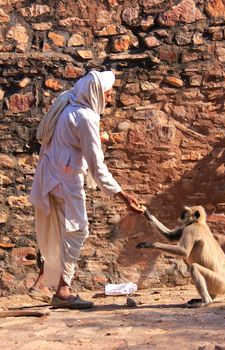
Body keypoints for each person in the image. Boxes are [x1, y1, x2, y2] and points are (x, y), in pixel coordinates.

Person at [29, 70, 143, 309]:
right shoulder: (87, 117)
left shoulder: (67, 102)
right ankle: (63, 291)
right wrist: (123, 195)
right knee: (77, 230)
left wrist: (93, 140)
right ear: (96, 93)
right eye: (107, 92)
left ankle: (41, 282)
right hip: (65, 182)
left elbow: (66, 139)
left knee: (61, 232)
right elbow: (97, 167)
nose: (111, 96)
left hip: (50, 175)